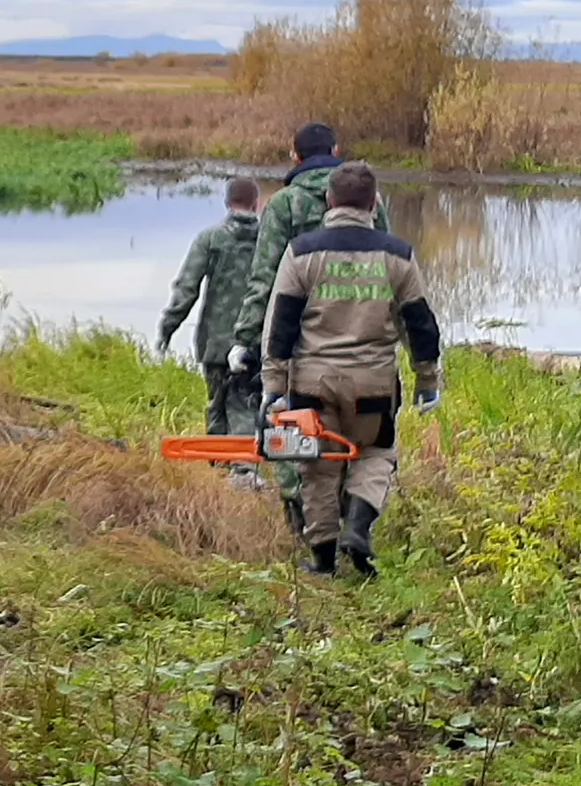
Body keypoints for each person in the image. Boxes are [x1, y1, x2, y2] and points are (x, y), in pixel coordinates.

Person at [260, 162, 441, 579]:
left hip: (312, 382)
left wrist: (274, 386)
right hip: (373, 382)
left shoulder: (302, 251)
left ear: (329, 201)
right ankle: (357, 528)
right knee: (376, 454)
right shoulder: (398, 254)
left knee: (317, 464)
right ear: (375, 204)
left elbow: (281, 324)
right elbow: (420, 323)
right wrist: (426, 381)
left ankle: (323, 559)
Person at [226, 123, 391, 535]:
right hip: (362, 338)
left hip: (301, 342)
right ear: (336, 150)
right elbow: (386, 264)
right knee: (362, 434)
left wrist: (245, 340)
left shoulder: (283, 206)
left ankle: (306, 525)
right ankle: (352, 519)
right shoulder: (372, 200)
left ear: (295, 157)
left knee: (293, 429)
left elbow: (265, 281)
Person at [157, 177, 263, 437]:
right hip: (256, 339)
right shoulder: (269, 241)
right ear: (256, 204)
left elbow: (187, 288)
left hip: (215, 340)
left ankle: (220, 466)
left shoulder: (210, 238)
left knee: (216, 406)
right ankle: (245, 466)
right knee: (246, 404)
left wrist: (167, 328)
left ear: (227, 202)